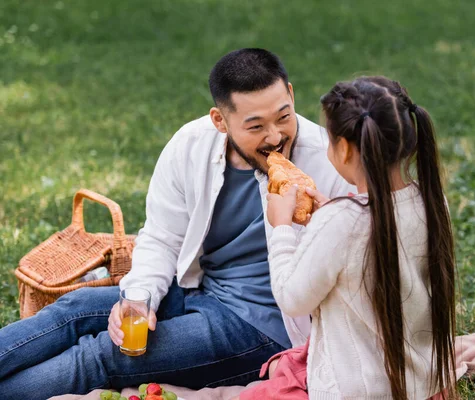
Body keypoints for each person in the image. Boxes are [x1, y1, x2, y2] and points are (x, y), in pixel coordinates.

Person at [0, 48, 352, 398]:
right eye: (255, 126)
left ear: (290, 94)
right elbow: (161, 238)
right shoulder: (191, 145)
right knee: (72, 309)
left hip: (264, 329)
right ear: (220, 121)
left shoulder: (327, 163)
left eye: (283, 117)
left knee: (99, 357)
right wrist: (139, 297)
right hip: (198, 290)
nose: (275, 137)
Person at [239, 76, 457, 399]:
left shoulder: (342, 221)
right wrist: (330, 215)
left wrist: (281, 226)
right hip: (422, 384)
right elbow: (367, 241)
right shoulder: (432, 201)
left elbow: (291, 297)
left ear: (343, 149)